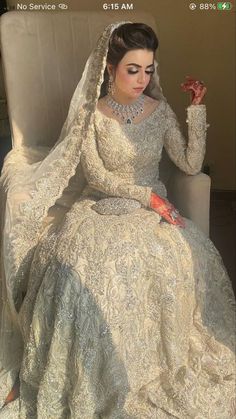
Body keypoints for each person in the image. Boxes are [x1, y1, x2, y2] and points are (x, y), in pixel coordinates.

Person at [0, 21, 235, 418]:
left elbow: (191, 163)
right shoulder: (93, 114)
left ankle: (147, 372)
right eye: (132, 69)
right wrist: (148, 197)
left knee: (166, 261)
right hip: (100, 205)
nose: (143, 79)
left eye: (148, 69)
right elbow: (97, 176)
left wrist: (197, 109)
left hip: (151, 212)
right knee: (82, 271)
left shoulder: (159, 113)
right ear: (109, 68)